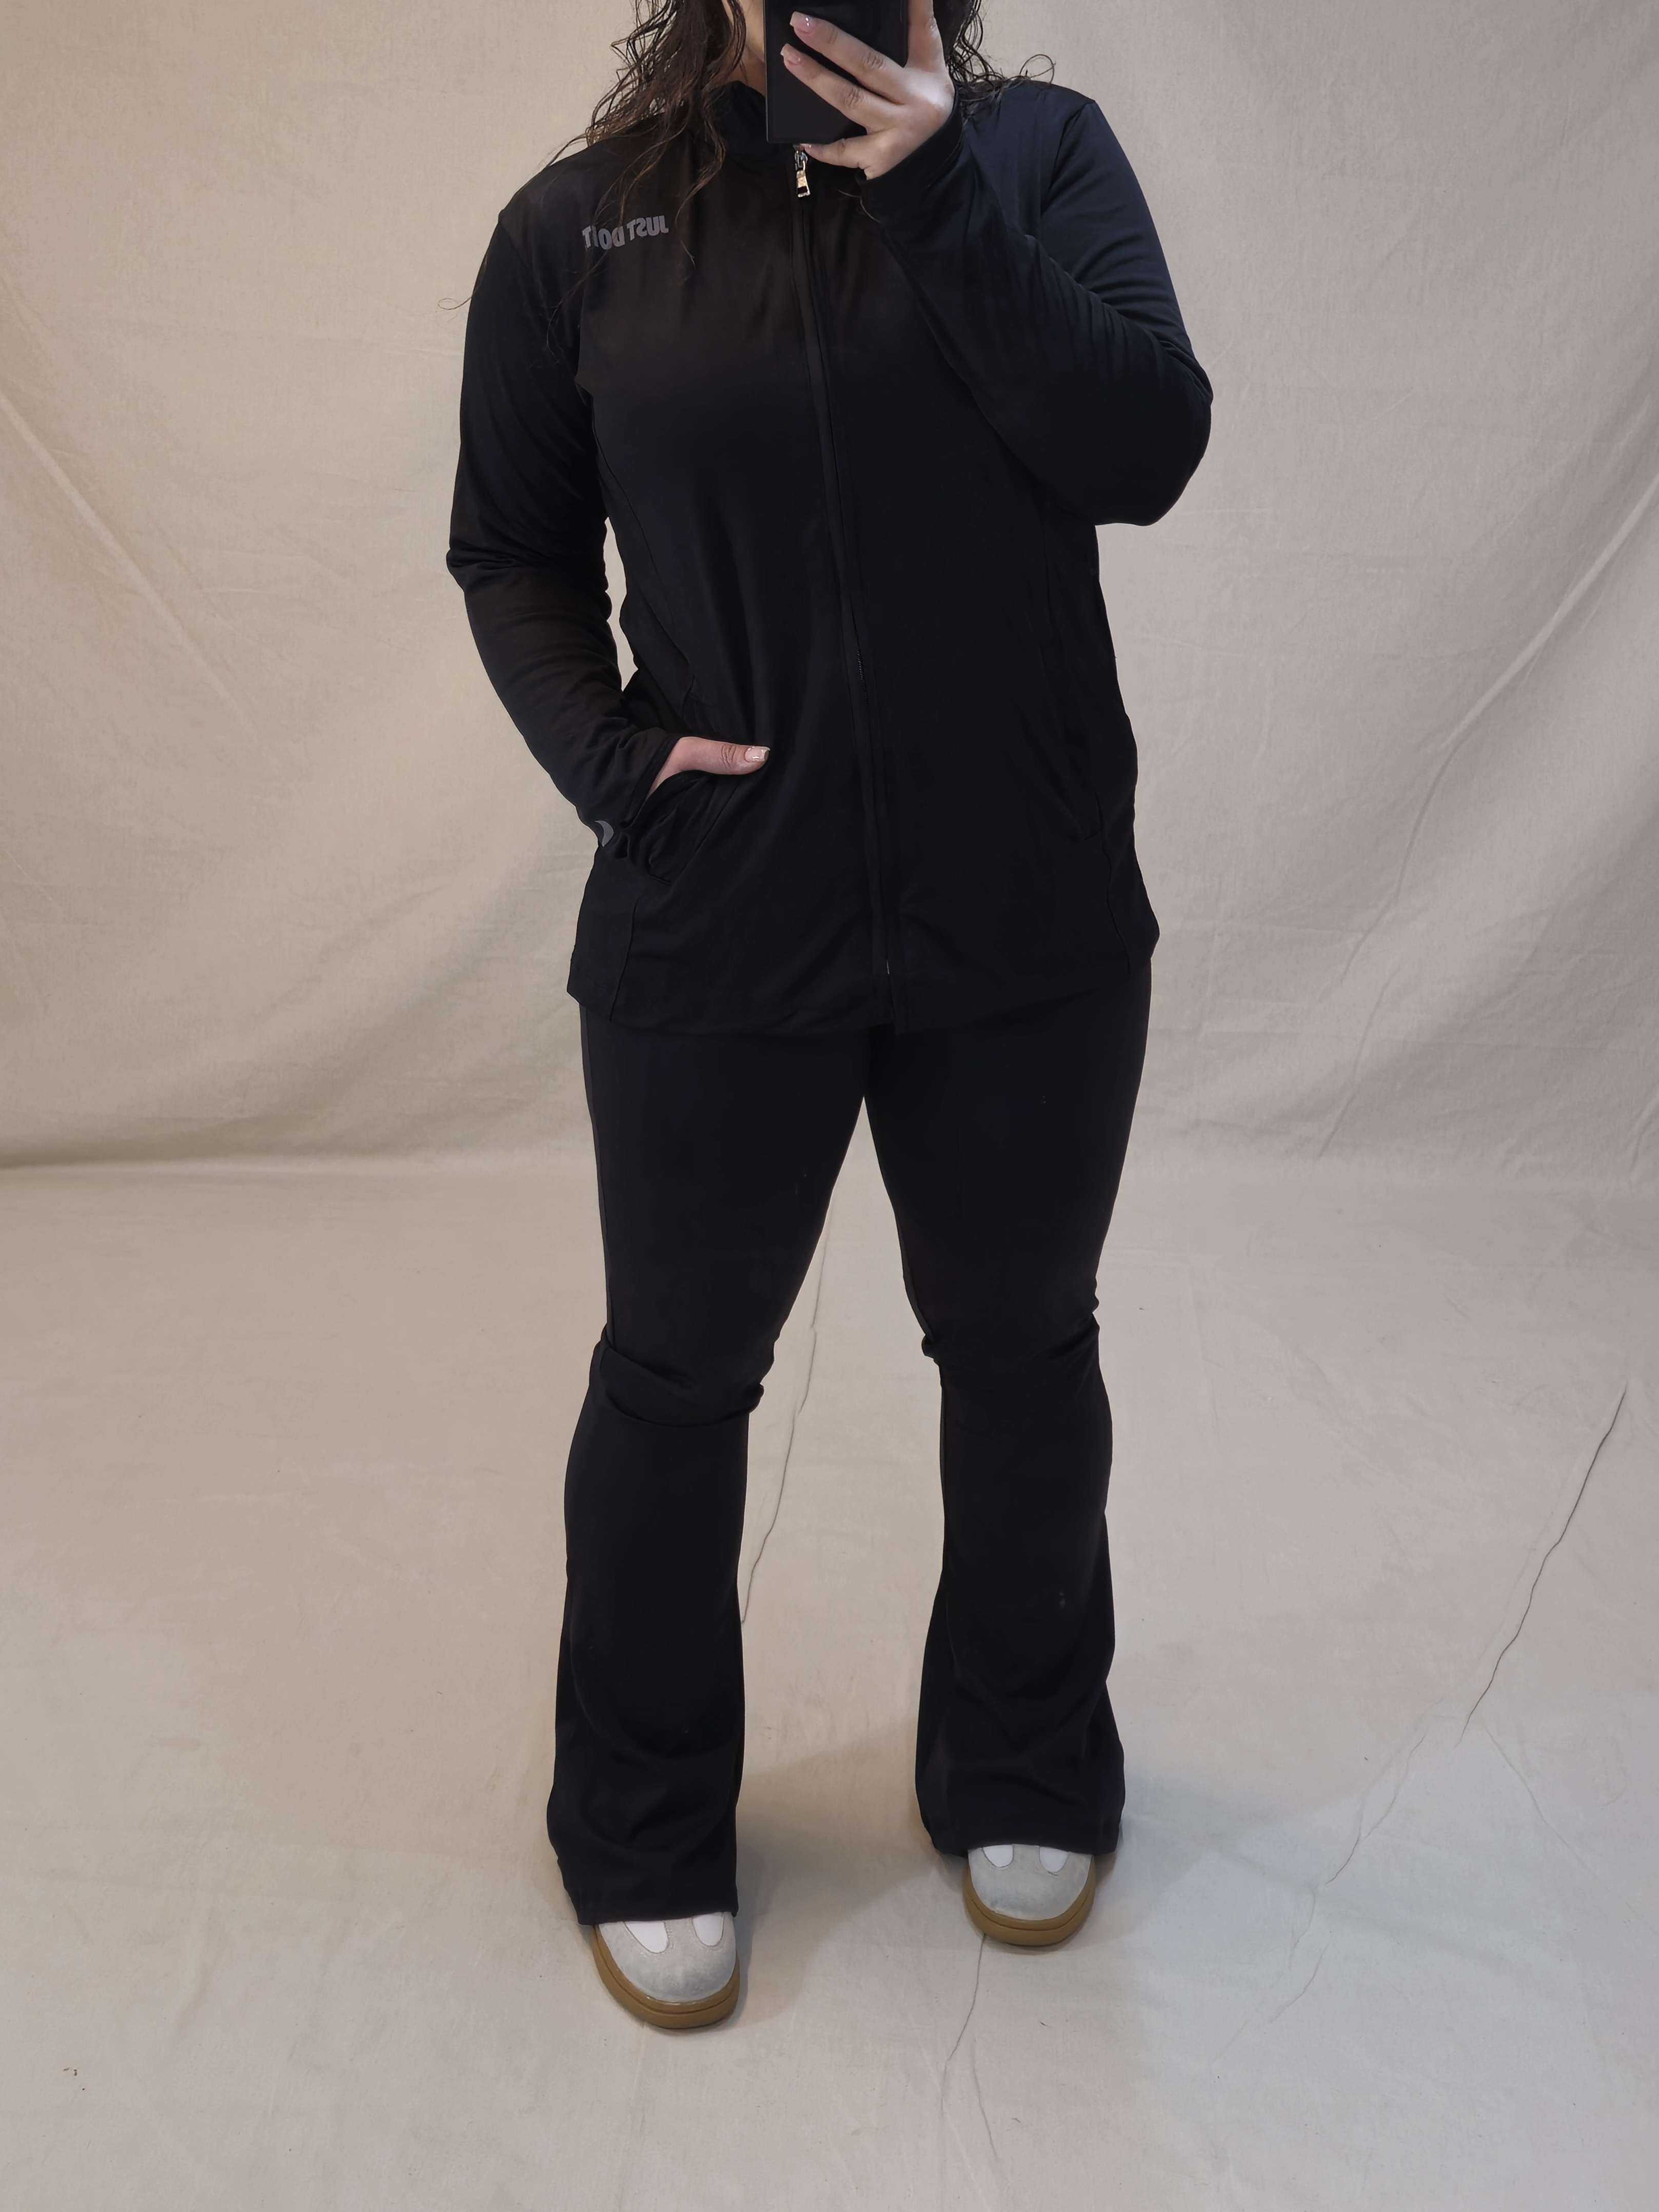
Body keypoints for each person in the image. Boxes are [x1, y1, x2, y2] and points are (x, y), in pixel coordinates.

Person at [447, 0, 1211, 2030]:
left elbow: (1144, 448)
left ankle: (1023, 1766)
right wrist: (618, 770)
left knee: (1022, 1347)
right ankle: (641, 1823)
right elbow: (510, 546)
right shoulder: (578, 230)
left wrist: (935, 187)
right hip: (721, 915)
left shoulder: (1038, 159)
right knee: (674, 1375)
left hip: (1024, 903)